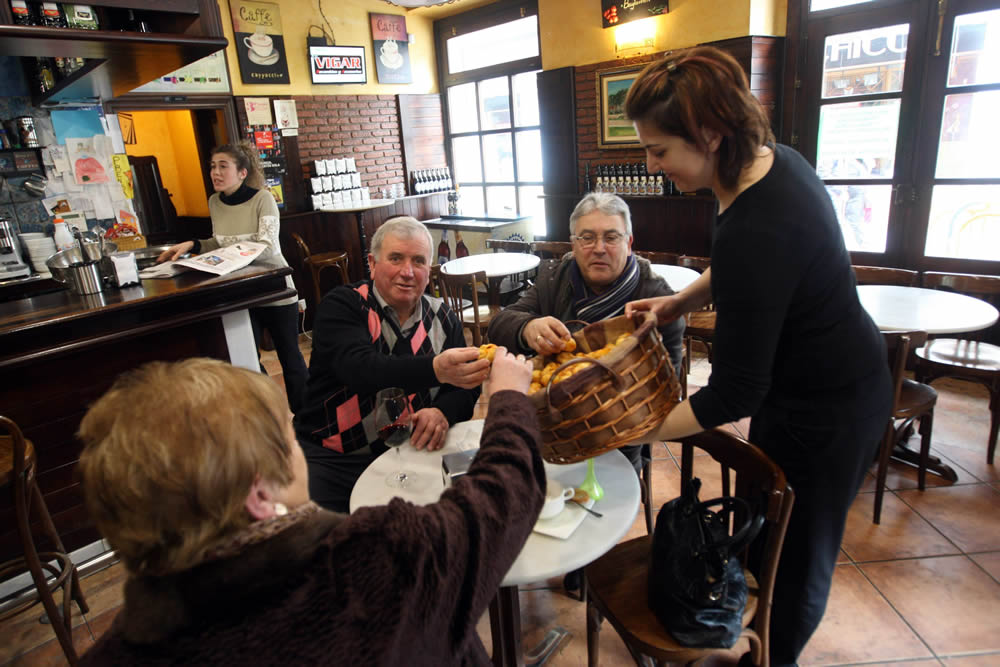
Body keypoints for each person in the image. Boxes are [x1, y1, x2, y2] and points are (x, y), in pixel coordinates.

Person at [621, 47, 893, 666]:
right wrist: (675, 305)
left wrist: (642, 428)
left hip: (836, 404)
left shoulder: (759, 226)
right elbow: (737, 270)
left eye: (659, 149)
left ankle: (772, 660)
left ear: (710, 134)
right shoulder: (769, 166)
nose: (652, 165)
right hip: (796, 390)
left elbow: (734, 395)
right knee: (764, 531)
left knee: (799, 560)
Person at [76, 354, 543, 666]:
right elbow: (501, 498)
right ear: (257, 496)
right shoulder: (373, 566)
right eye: (287, 433)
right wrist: (509, 400)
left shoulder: (112, 653)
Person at [295, 216, 489, 512]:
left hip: (412, 452)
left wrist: (442, 412)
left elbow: (466, 389)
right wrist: (436, 369)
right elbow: (361, 369)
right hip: (335, 458)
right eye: (395, 258)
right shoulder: (345, 305)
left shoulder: (443, 317)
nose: (407, 272)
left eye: (419, 261)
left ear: (430, 269)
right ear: (372, 263)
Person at [488, 191, 686, 473]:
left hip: (622, 442)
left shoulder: (656, 298)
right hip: (555, 437)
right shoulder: (554, 279)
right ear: (574, 243)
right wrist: (527, 327)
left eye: (611, 237)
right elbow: (499, 324)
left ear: (629, 243)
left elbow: (665, 393)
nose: (599, 248)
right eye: (587, 237)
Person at [157, 141, 308, 413]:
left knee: (290, 357)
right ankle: (269, 415)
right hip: (240, 291)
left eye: (223, 166)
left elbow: (268, 244)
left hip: (275, 288)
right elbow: (219, 242)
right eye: (212, 166)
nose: (215, 172)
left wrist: (230, 256)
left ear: (242, 172)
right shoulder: (215, 201)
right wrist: (193, 245)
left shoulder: (263, 198)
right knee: (247, 357)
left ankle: (308, 418)